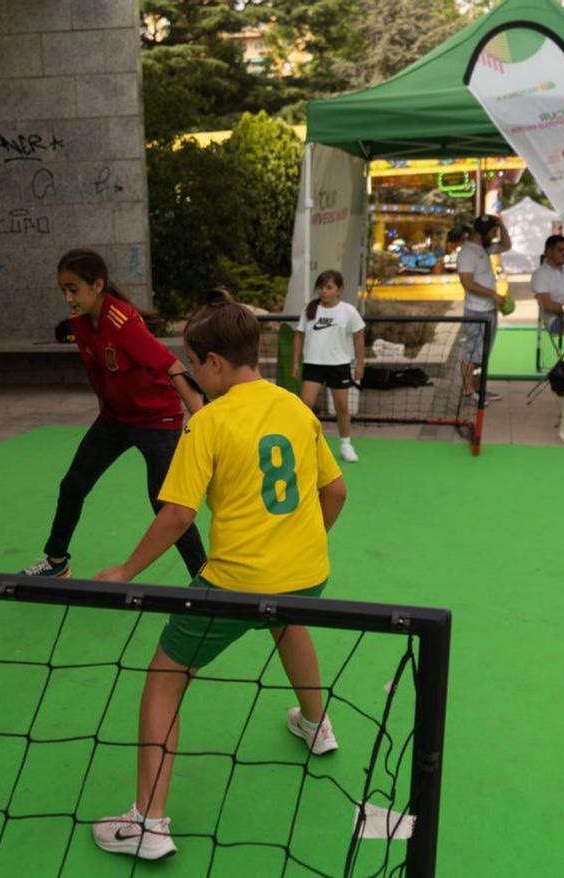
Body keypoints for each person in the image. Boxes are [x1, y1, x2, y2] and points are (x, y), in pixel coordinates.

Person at [91, 289, 348, 861]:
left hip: (233, 585)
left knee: (165, 678)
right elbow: (336, 491)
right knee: (287, 621)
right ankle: (316, 724)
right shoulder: (296, 409)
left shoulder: (206, 423)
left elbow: (178, 515)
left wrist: (126, 569)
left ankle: (147, 823)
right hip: (308, 574)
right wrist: (301, 545)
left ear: (212, 363)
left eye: (192, 364)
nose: (191, 375)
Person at [21, 248, 206, 580]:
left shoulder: (124, 322)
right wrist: (107, 413)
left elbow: (172, 367)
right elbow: (100, 374)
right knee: (73, 484)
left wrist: (206, 423)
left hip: (157, 421)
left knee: (165, 505)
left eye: (73, 289)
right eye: (63, 289)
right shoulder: (78, 322)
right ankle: (56, 561)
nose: (68, 298)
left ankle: (203, 577)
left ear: (98, 285)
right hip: (115, 420)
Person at [290, 269, 366, 463]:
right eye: (321, 287)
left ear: (339, 290)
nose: (324, 291)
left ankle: (346, 444)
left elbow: (359, 337)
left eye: (329, 287)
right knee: (305, 406)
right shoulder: (309, 310)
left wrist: (360, 365)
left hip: (339, 365)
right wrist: (295, 362)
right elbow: (298, 336)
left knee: (342, 407)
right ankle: (303, 443)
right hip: (313, 364)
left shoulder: (349, 311)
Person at [455, 214, 512, 401]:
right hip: (476, 311)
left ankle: (478, 389)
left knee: (482, 353)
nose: (495, 236)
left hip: (489, 310)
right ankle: (467, 391)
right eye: (493, 232)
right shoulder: (467, 253)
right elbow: (467, 283)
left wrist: (501, 225)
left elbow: (506, 245)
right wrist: (493, 294)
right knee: (471, 351)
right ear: (483, 232)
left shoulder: (485, 248)